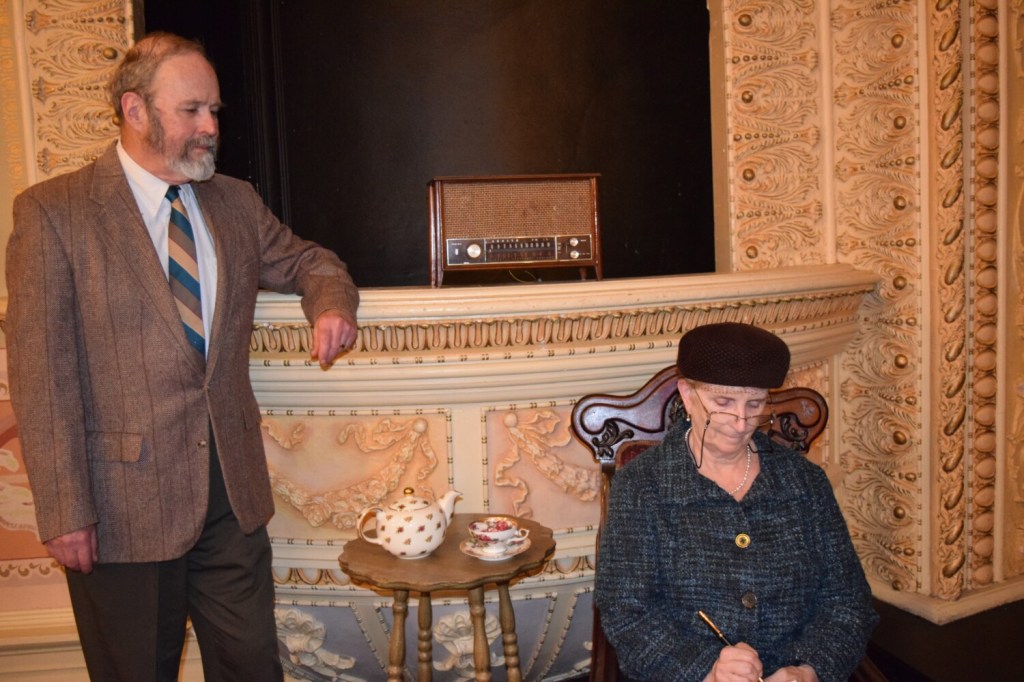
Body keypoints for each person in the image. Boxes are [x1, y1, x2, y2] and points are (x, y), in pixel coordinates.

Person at [5, 32, 359, 681]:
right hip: (119, 511)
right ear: (135, 110)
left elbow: (313, 261)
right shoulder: (54, 214)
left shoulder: (234, 202)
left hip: (230, 499)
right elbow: (41, 375)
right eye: (192, 110)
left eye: (215, 111)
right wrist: (63, 511)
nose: (210, 128)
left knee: (253, 667)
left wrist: (330, 306)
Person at [594, 322, 877, 682]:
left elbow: (847, 600)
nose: (741, 422)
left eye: (755, 404)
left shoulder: (804, 482)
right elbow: (627, 611)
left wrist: (809, 670)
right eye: (723, 402)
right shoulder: (642, 485)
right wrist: (704, 670)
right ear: (687, 394)